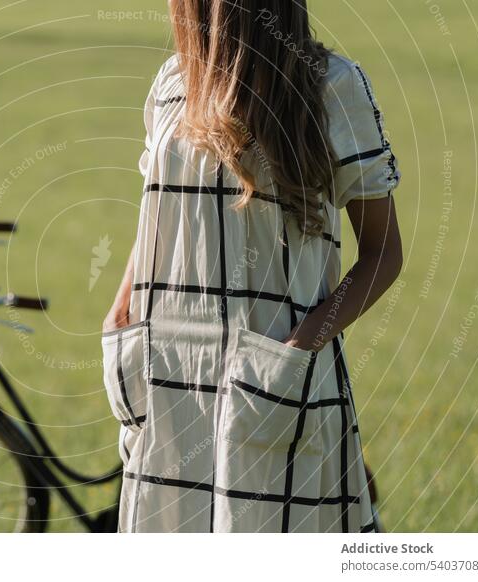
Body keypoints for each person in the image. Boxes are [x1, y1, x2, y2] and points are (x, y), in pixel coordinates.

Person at [101, 0, 403, 533]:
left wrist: (301, 347)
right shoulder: (172, 81)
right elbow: (163, 210)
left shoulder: (333, 85)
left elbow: (383, 253)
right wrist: (121, 311)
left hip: (276, 384)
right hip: (170, 386)